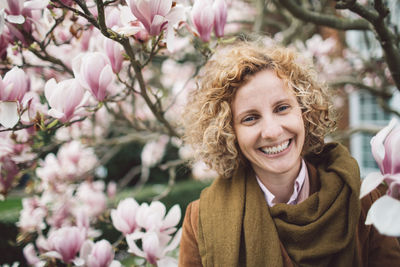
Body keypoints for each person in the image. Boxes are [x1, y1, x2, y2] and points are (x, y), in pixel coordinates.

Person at [178, 39, 400, 266]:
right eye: (250, 118)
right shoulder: (200, 222)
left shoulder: (364, 200)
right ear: (228, 132)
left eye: (282, 108)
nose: (273, 132)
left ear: (304, 111)